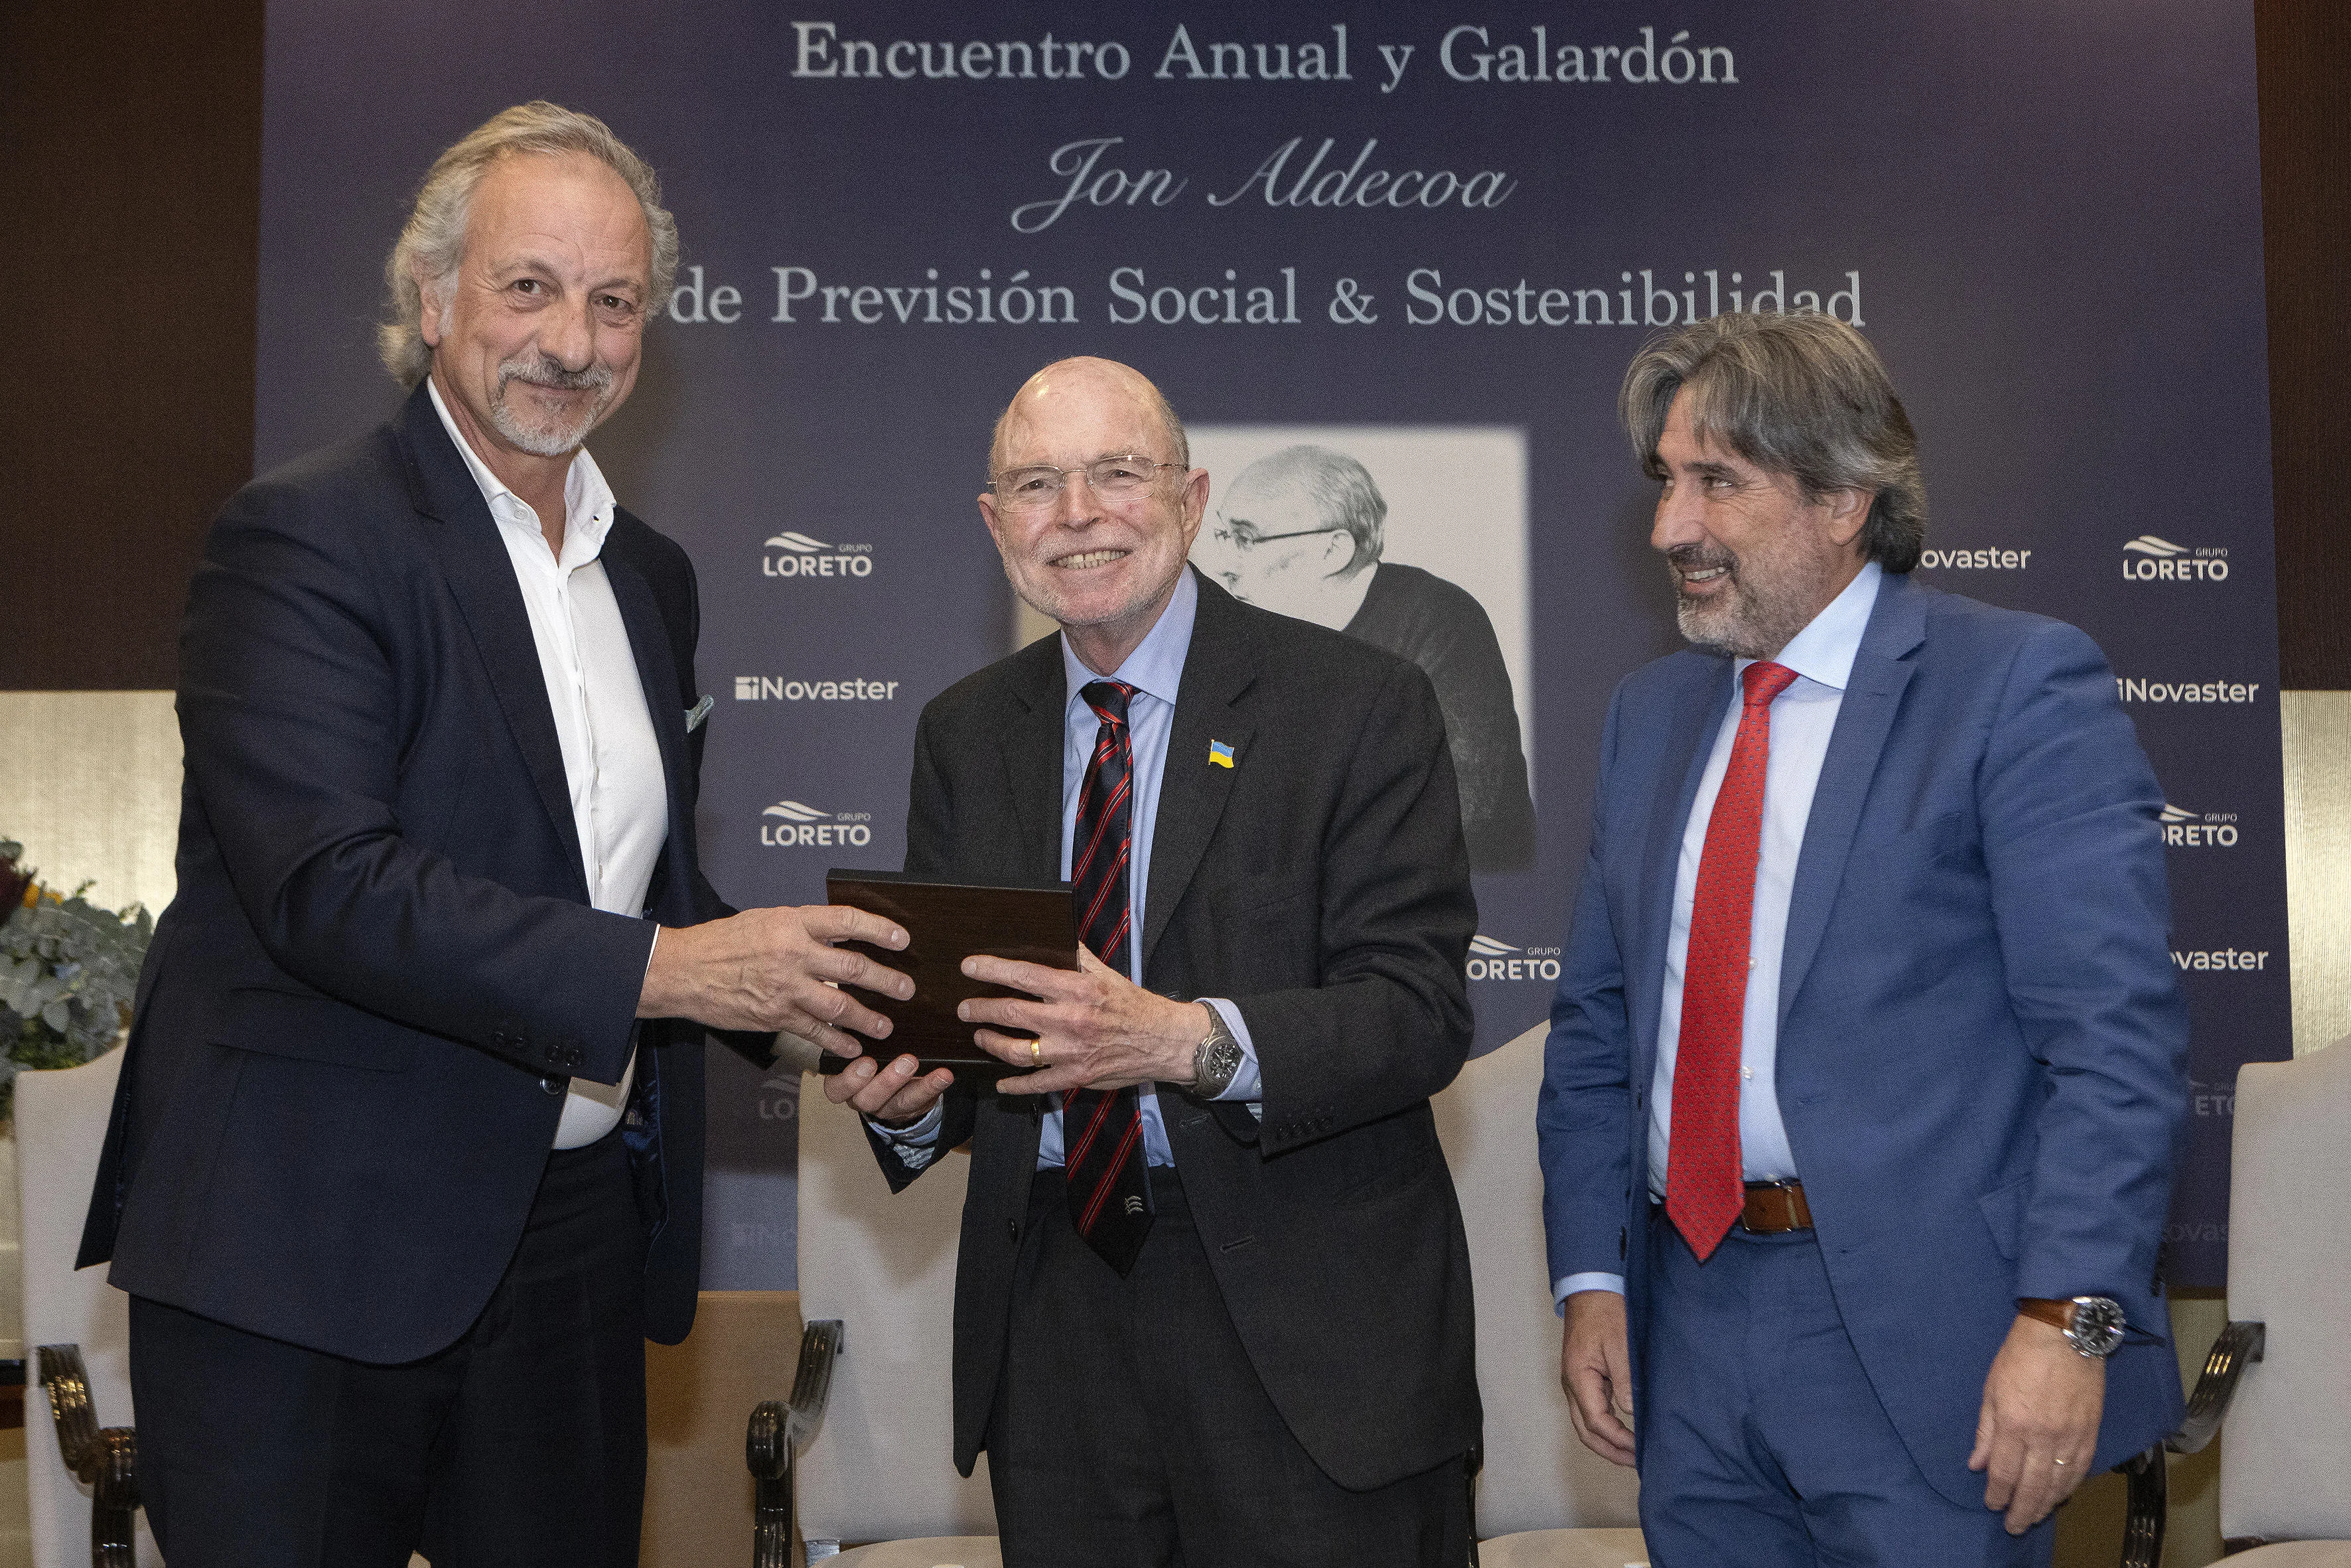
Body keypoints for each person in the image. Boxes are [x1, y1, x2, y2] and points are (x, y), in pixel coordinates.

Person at [76, 103, 913, 1568]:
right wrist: (680, 968)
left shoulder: (649, 574)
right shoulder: (306, 536)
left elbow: (638, 889)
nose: (572, 341)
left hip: (570, 1242)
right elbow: (331, 884)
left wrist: (825, 1014)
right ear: (434, 296)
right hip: (304, 1250)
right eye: (528, 287)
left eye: (613, 302)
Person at [1537, 312, 2188, 1567]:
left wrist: (2068, 1318)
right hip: (1687, 1319)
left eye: (1717, 480)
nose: (1671, 525)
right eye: (1665, 480)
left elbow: (2110, 1047)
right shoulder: (1648, 715)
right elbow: (1599, 1032)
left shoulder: (2012, 688)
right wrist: (1591, 1280)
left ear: (1843, 497)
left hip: (1931, 1341)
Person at [823, 357, 1481, 1567]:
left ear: (1189, 497)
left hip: (1306, 1325)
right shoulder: (966, 733)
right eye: (1035, 483)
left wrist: (1177, 1038)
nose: (1075, 514)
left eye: (1115, 473)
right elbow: (969, 1033)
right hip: (1056, 1317)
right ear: (993, 524)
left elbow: (1419, 1011)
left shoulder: (1357, 702)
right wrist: (912, 1102)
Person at [1197, 444, 1537, 871]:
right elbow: (1215, 776)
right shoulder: (1240, 631)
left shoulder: (1440, 623)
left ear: (1333, 552)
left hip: (1466, 901)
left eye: (1247, 538)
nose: (1222, 564)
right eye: (1224, 536)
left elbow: (1474, 809)